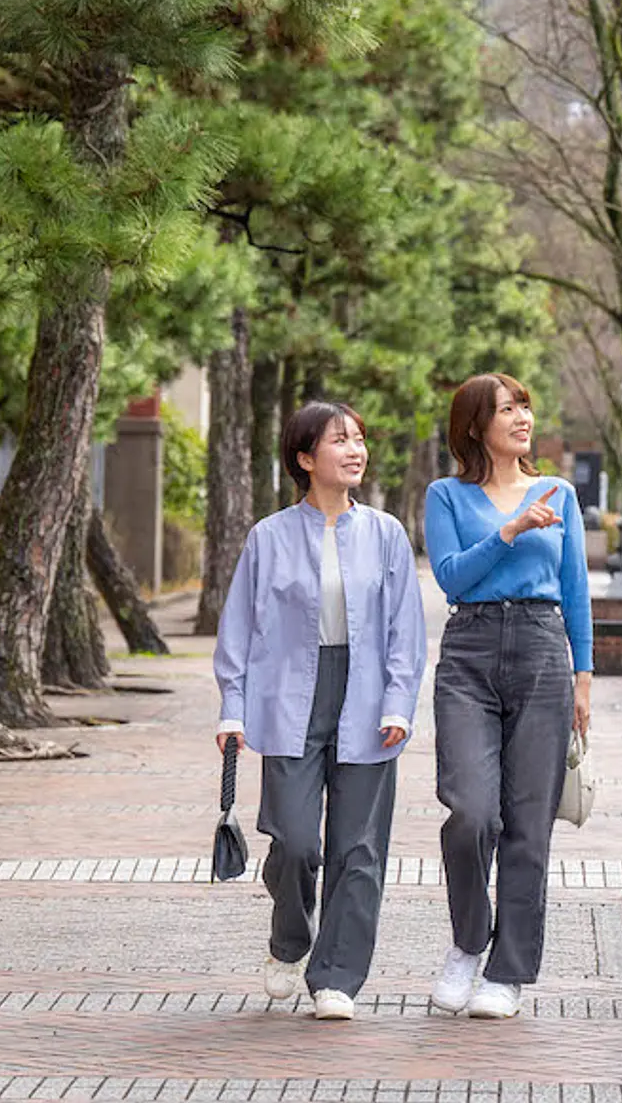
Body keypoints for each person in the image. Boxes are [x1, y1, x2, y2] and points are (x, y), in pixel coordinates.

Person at [213, 401, 428, 1019]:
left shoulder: (386, 533)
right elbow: (240, 630)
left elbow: (404, 633)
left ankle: (336, 978)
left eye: (359, 439)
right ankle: (289, 940)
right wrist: (234, 707)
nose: (355, 450)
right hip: (286, 702)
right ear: (306, 458)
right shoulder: (269, 536)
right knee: (297, 841)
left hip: (366, 701)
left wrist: (398, 702)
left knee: (358, 848)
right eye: (340, 441)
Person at [422, 373, 594, 1019]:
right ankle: (468, 940)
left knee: (528, 823)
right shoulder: (446, 495)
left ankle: (507, 970)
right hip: (468, 651)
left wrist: (583, 677)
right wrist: (510, 530)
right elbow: (449, 578)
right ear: (474, 426)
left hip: (543, 651)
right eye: (505, 409)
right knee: (470, 811)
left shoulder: (560, 494)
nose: (521, 417)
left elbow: (573, 589)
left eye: (524, 405)